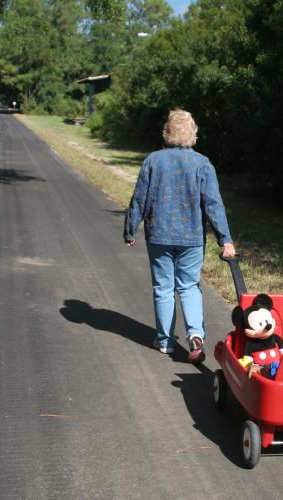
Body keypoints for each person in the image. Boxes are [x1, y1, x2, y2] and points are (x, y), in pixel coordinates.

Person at [123, 109, 236, 363]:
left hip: (159, 236)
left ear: (167, 132)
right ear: (193, 133)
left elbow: (138, 199)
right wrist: (224, 239)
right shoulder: (202, 164)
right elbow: (213, 204)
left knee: (163, 288)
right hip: (192, 238)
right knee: (189, 286)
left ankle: (165, 341)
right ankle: (195, 334)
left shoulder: (152, 160)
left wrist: (130, 229)